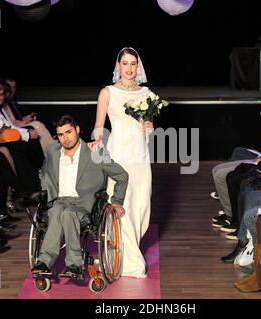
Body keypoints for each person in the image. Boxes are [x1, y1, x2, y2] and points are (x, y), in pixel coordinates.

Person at [31, 115, 128, 278]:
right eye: (61, 135)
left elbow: (122, 175)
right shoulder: (52, 152)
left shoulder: (95, 152)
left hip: (83, 204)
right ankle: (44, 262)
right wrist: (46, 191)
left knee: (67, 213)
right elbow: (43, 173)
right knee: (56, 211)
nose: (65, 138)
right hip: (59, 202)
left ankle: (74, 264)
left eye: (68, 132)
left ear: (77, 130)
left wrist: (117, 201)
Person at [90, 47, 153, 278]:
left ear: (138, 66)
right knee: (121, 203)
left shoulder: (146, 93)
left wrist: (149, 128)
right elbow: (99, 126)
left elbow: (149, 126)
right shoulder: (107, 92)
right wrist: (97, 141)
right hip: (119, 153)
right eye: (124, 63)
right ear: (118, 66)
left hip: (140, 155)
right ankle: (131, 262)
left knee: (141, 205)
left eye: (133, 63)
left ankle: (129, 249)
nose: (129, 68)